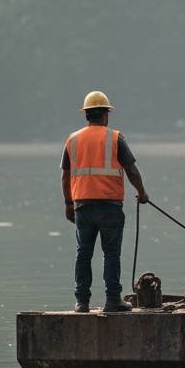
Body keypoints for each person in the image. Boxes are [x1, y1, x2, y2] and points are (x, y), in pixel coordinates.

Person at [61, 91, 149, 313]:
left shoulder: (72, 140)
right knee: (111, 253)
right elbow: (131, 169)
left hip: (83, 205)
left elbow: (65, 175)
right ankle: (112, 300)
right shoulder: (115, 138)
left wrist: (68, 204)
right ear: (106, 115)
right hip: (109, 206)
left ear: (86, 114)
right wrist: (142, 192)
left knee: (83, 253)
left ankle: (82, 303)